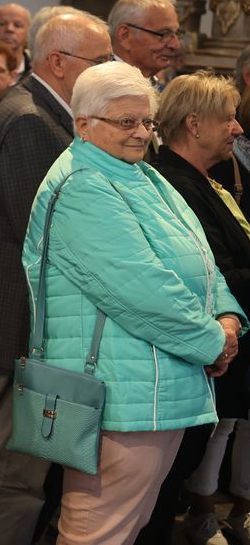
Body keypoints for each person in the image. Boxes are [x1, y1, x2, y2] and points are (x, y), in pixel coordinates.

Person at [24, 60, 246, 544]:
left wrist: (228, 316)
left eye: (146, 121)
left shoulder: (140, 174)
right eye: (127, 122)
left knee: (129, 526)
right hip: (119, 393)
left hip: (155, 383)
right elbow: (142, 290)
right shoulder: (82, 183)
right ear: (83, 124)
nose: (142, 133)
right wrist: (214, 341)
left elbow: (203, 262)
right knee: (95, 532)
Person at [0, 9, 112, 545]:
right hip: (23, 319)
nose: (108, 68)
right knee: (17, 469)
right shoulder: (30, 117)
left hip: (34, 317)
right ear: (58, 61)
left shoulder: (44, 109)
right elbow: (44, 233)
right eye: (101, 59)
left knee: (33, 462)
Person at [146, 73, 250, 545]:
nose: (237, 128)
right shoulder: (177, 184)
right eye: (227, 118)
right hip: (189, 356)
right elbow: (214, 277)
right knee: (164, 484)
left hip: (208, 352)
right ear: (194, 123)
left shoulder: (200, 180)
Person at [109, 0, 182, 80]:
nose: (175, 45)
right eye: (163, 34)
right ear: (125, 36)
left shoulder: (155, 84)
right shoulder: (103, 88)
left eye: (176, 34)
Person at [0, 3, 31, 76]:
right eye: (2, 24)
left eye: (17, 25)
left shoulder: (39, 73)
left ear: (29, 32)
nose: (9, 29)